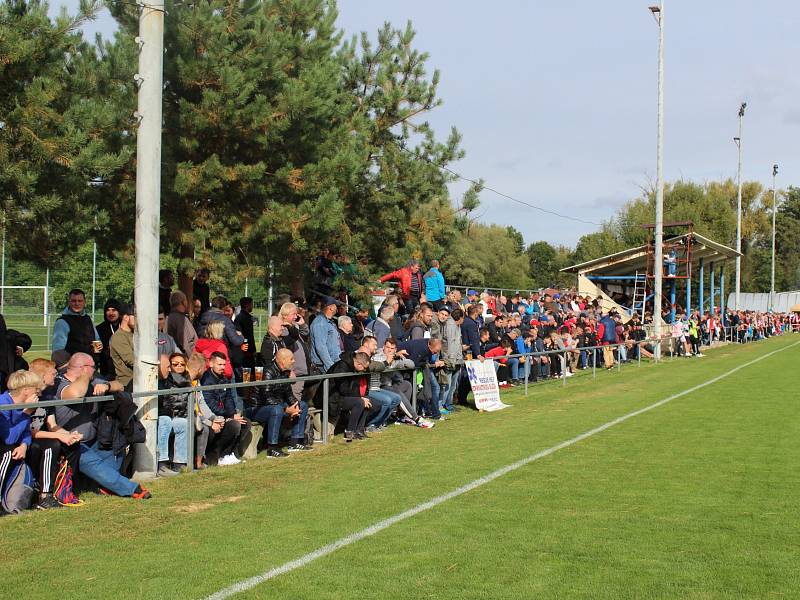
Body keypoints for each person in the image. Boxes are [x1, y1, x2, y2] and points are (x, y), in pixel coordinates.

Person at [53, 353, 150, 499]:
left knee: (114, 451)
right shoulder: (60, 383)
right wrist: (85, 375)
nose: (95, 370)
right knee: (95, 465)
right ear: (84, 368)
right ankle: (133, 489)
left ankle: (105, 485)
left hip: (94, 440)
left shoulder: (93, 379)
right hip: (72, 442)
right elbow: (75, 394)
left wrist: (107, 385)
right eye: (93, 367)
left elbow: (119, 385)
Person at [27, 359, 81, 509]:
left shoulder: (48, 397)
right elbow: (28, 432)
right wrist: (59, 436)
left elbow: (52, 425)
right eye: (53, 373)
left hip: (42, 436)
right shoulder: (28, 397)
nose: (56, 375)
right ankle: (45, 495)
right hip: (26, 441)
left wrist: (68, 435)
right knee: (52, 444)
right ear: (42, 376)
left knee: (73, 445)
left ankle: (65, 489)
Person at [245, 348, 310, 457]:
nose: (294, 361)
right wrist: (286, 410)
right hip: (257, 408)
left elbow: (288, 393)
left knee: (302, 405)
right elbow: (266, 397)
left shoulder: (285, 372)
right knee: (277, 410)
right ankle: (272, 448)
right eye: (291, 359)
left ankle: (296, 442)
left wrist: (294, 406)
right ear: (283, 360)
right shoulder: (268, 372)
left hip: (276, 406)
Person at [0, 370, 41, 511]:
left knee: (33, 449)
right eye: (36, 389)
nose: (39, 392)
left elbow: (26, 432)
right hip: (4, 446)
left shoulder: (23, 405)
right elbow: (9, 438)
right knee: (8, 453)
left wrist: (24, 445)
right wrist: (27, 412)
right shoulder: (4, 403)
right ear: (26, 390)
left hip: (12, 446)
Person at [200, 352, 251, 465]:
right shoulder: (206, 380)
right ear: (211, 364)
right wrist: (228, 417)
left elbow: (229, 399)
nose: (223, 367)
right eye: (219, 364)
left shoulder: (223, 379)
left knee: (245, 422)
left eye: (224, 364)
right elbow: (210, 404)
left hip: (224, 415)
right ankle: (218, 454)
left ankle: (230, 453)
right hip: (212, 417)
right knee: (234, 425)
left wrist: (233, 414)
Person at [156, 352, 191, 476]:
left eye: (182, 364)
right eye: (172, 365)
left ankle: (179, 463)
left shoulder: (187, 380)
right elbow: (165, 405)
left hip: (172, 417)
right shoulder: (156, 381)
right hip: (156, 419)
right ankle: (162, 464)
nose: (171, 369)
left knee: (183, 423)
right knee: (165, 420)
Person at [326, 351, 372, 442]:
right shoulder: (342, 367)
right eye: (365, 367)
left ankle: (359, 430)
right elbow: (343, 388)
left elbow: (351, 388)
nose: (365, 370)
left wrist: (361, 397)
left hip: (340, 395)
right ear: (359, 364)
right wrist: (359, 398)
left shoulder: (351, 367)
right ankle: (349, 431)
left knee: (367, 401)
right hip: (331, 397)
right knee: (359, 402)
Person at [52, 289, 101, 359]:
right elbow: (58, 351)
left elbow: (96, 339)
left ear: (84, 302)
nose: (77, 304)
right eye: (73, 301)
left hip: (90, 365)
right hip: (72, 367)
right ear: (69, 302)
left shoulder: (88, 319)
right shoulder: (62, 322)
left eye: (80, 301)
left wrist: (96, 353)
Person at [310, 297, 342, 372]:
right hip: (323, 368)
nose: (337, 308)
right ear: (330, 308)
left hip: (332, 364)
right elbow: (321, 347)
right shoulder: (320, 323)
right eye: (335, 306)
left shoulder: (329, 322)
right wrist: (331, 367)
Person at [109, 304, 136, 389]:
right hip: (127, 384)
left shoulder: (135, 334)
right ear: (126, 317)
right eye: (135, 316)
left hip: (138, 381)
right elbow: (132, 360)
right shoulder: (118, 337)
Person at [166, 290, 197, 356]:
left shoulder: (168, 318)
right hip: (185, 358)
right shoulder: (181, 319)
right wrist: (193, 360)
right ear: (183, 302)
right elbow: (185, 344)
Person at [96, 299, 121, 379]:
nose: (111, 313)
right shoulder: (99, 329)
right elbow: (96, 350)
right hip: (107, 370)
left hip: (123, 370)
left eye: (114, 310)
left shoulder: (125, 327)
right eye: (108, 310)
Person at [234, 297, 256, 369]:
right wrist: (252, 349)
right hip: (246, 351)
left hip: (245, 349)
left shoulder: (240, 317)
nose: (252, 306)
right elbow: (248, 336)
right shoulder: (245, 318)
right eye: (251, 304)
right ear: (247, 305)